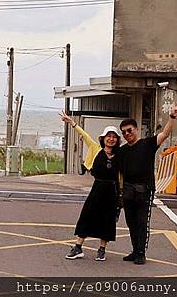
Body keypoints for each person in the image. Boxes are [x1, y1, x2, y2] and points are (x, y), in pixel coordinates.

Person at [118, 103, 177, 265]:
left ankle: (141, 253)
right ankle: (134, 250)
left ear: (136, 129)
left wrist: (172, 117)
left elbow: (165, 133)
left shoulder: (148, 144)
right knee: (131, 222)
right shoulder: (123, 151)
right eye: (124, 132)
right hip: (128, 190)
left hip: (145, 190)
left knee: (142, 222)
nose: (127, 134)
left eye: (129, 130)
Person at [60, 111, 123, 262]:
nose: (111, 139)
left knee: (108, 220)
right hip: (97, 188)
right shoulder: (96, 149)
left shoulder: (121, 155)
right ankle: (78, 247)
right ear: (103, 138)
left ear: (117, 140)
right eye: (108, 136)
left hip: (112, 191)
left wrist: (121, 194)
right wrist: (71, 122)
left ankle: (102, 249)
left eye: (114, 137)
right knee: (86, 216)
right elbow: (85, 134)